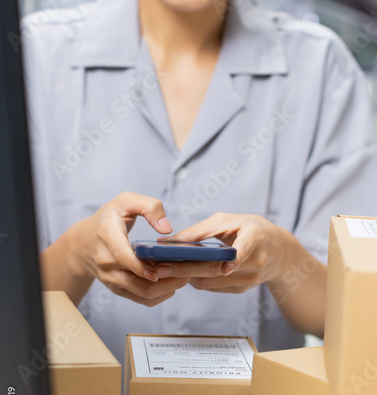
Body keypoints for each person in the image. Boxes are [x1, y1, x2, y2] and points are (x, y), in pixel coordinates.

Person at [22, 0, 377, 362]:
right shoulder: (35, 54)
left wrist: (283, 258)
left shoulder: (320, 65)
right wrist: (76, 255)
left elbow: (358, 323)